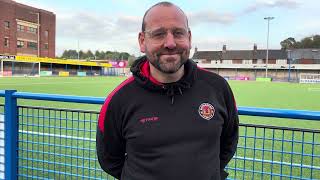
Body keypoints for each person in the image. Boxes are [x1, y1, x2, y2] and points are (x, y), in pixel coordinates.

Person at [96, 2, 239, 180]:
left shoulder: (218, 88)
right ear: (142, 41)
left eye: (178, 33)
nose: (170, 43)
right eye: (158, 34)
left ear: (189, 37)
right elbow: (109, 159)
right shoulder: (120, 99)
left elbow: (228, 143)